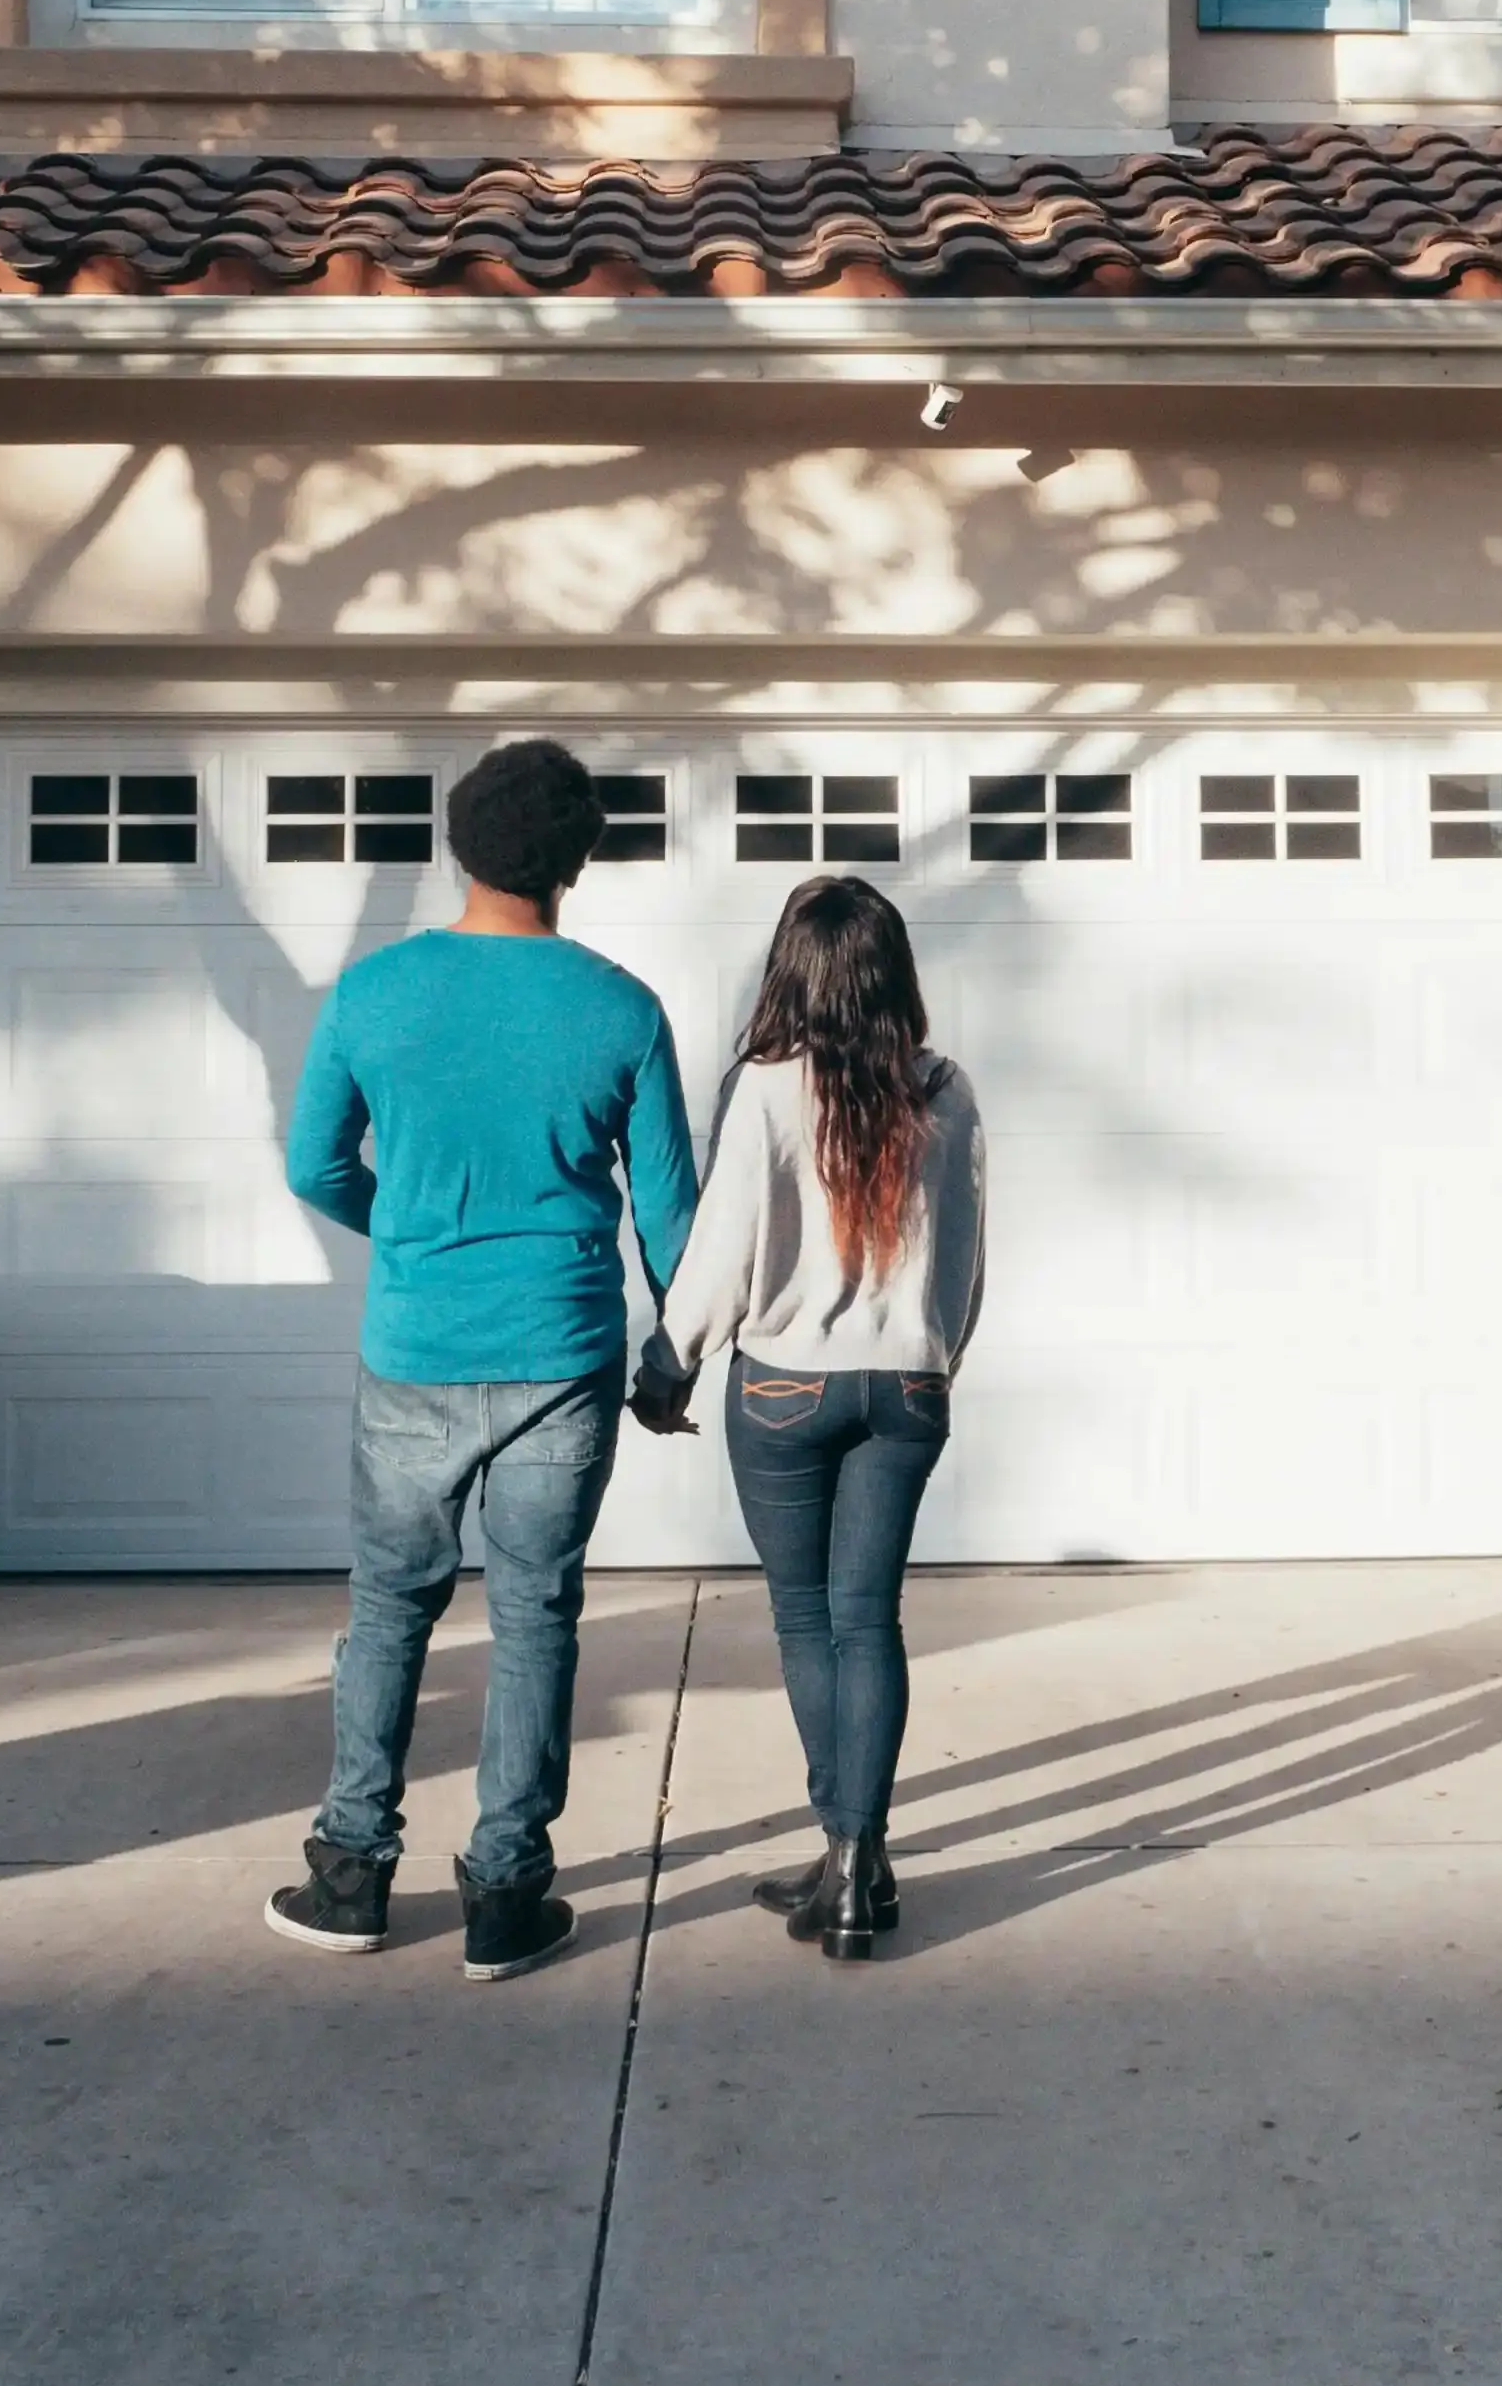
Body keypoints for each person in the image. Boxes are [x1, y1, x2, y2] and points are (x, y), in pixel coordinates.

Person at [266, 737, 697, 1983]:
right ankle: (507, 1895)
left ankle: (351, 1873)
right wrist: (677, 1354)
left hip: (415, 1349)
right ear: (577, 860)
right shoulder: (620, 1007)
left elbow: (312, 1167)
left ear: (457, 846)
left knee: (389, 1610)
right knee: (535, 1615)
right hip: (561, 1355)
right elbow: (672, 1220)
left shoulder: (374, 993)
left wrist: (400, 1228)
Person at [630, 876, 984, 1961]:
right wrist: (934, 1360)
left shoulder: (769, 1086)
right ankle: (855, 1862)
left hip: (785, 1387)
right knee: (866, 1619)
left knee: (804, 1620)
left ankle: (842, 1856)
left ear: (793, 970)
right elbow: (963, 1257)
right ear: (892, 971)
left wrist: (667, 1360)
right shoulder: (944, 1086)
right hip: (905, 1389)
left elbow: (724, 1246)